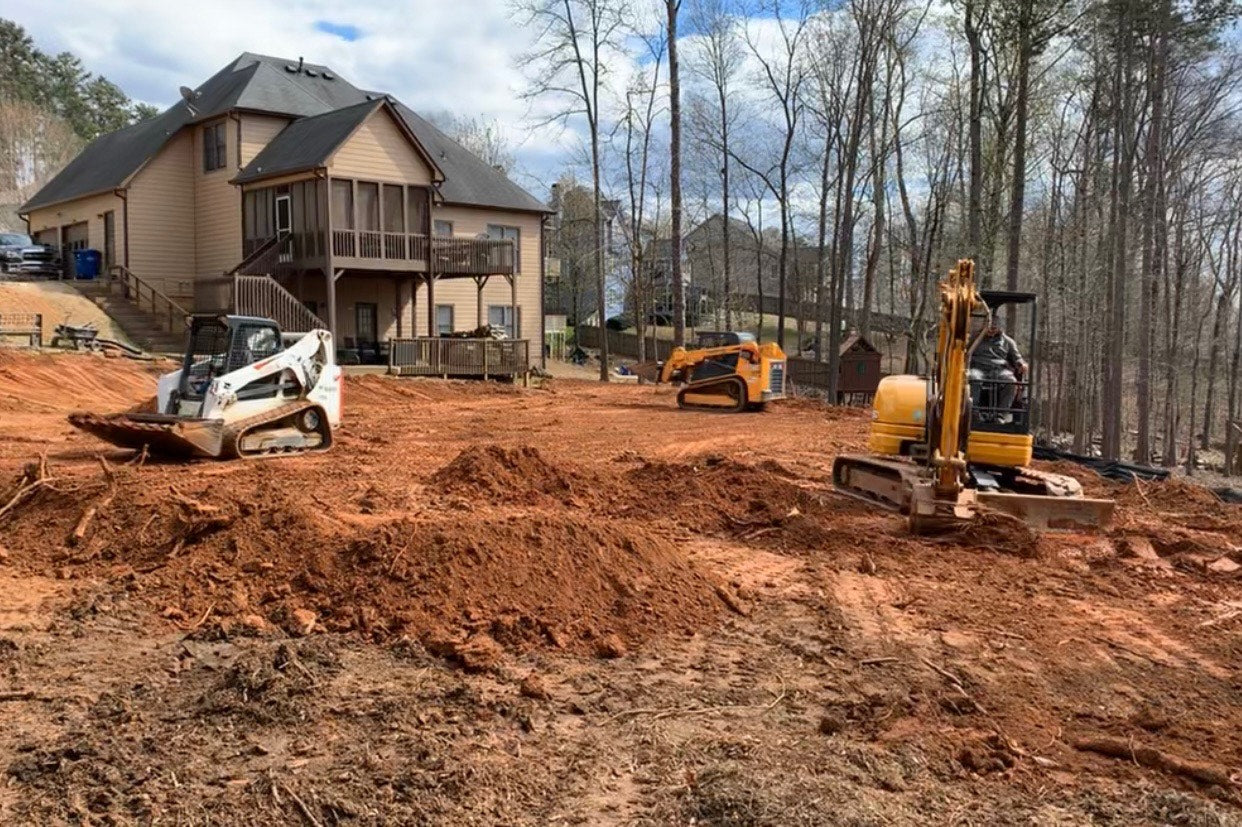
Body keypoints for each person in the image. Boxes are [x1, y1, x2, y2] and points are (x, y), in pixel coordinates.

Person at [969, 320, 1027, 423]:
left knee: (1011, 380)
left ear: (1000, 328)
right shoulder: (975, 339)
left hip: (999, 370)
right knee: (973, 377)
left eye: (994, 327)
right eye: (989, 327)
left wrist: (1021, 364)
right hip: (979, 368)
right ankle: (974, 412)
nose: (991, 330)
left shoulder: (1008, 342)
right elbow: (964, 352)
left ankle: (1001, 415)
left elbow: (1017, 358)